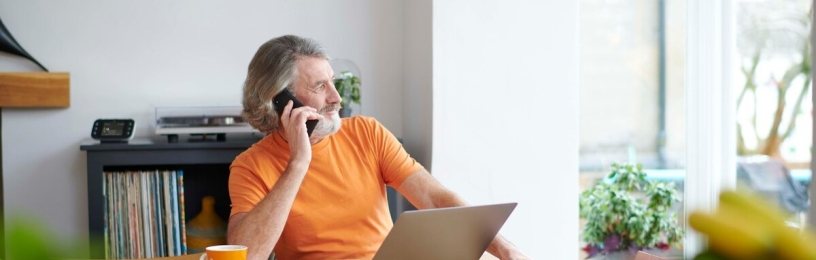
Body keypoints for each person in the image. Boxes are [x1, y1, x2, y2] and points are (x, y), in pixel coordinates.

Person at [227, 35, 528, 260]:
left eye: (333, 82)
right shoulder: (250, 166)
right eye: (320, 86)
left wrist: (504, 248)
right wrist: (298, 164)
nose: (337, 98)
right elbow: (247, 253)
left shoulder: (367, 132)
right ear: (280, 100)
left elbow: (434, 199)